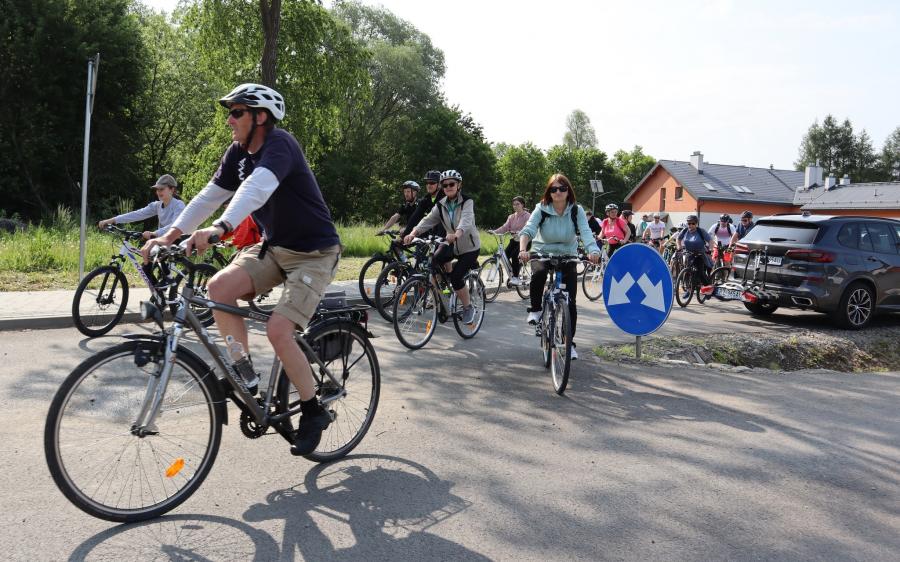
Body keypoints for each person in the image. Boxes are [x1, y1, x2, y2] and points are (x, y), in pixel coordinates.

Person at [141, 83, 341, 456]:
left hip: (314, 253)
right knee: (218, 288)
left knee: (278, 330)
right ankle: (245, 376)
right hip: (274, 247)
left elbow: (256, 189)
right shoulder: (237, 153)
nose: (229, 120)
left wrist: (221, 228)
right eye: (229, 113)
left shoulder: (280, 145)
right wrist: (169, 236)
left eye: (236, 112)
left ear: (260, 117)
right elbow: (209, 196)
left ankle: (313, 410)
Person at [518, 174, 600, 361]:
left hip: (567, 254)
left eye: (562, 188)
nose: (558, 192)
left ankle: (568, 343)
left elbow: (586, 233)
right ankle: (536, 309)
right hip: (542, 251)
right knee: (539, 273)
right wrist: (523, 249)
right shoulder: (542, 208)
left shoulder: (576, 210)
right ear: (549, 192)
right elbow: (528, 230)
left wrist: (593, 251)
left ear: (568, 191)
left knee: (570, 302)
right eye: (553, 189)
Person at [403, 169, 480, 325]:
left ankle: (468, 307)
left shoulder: (467, 201)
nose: (448, 187)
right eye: (445, 185)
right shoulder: (441, 204)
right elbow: (428, 220)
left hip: (469, 247)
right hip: (451, 243)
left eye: (452, 184)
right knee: (432, 263)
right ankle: (440, 300)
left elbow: (466, 221)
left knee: (456, 278)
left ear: (459, 185)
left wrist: (457, 234)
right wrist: (413, 233)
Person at [98, 173, 186, 286]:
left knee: (155, 254)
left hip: (177, 238)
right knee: (146, 268)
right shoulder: (157, 205)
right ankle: (159, 293)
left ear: (172, 189)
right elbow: (138, 214)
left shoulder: (178, 205)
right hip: (161, 240)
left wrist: (155, 233)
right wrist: (112, 220)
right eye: (157, 189)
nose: (158, 192)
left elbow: (175, 225)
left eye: (162, 189)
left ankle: (169, 281)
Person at [488, 196, 531, 286]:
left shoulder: (527, 216)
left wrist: (520, 232)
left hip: (525, 241)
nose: (515, 206)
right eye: (514, 204)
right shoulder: (511, 217)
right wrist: (495, 232)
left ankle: (515, 277)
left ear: (522, 205)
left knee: (515, 255)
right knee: (505, 256)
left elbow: (528, 227)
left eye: (517, 204)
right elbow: (505, 227)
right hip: (515, 240)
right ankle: (514, 272)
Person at [401, 170, 446, 239]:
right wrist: (404, 236)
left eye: (432, 183)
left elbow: (443, 220)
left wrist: (438, 238)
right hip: (431, 234)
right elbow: (414, 218)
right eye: (427, 183)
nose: (428, 185)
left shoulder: (445, 198)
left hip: (447, 235)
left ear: (439, 184)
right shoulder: (426, 199)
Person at [676, 214, 714, 293]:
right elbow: (678, 239)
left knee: (700, 271)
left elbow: (710, 240)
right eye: (689, 223)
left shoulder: (701, 231)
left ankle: (708, 287)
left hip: (700, 253)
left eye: (693, 223)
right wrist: (679, 247)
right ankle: (689, 289)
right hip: (689, 253)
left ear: (696, 224)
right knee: (687, 270)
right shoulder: (685, 230)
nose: (690, 225)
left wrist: (710, 249)